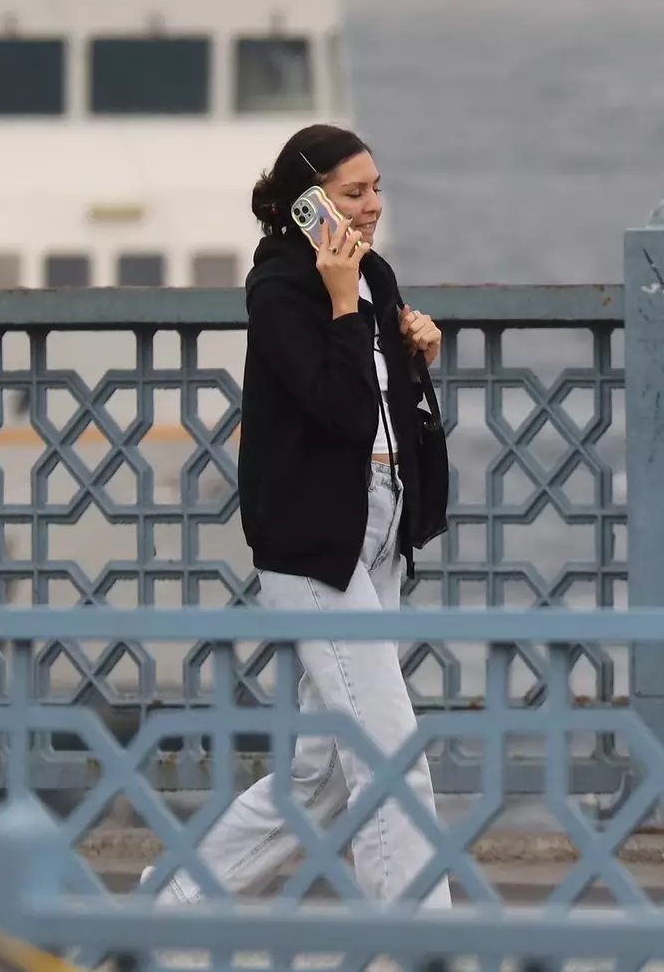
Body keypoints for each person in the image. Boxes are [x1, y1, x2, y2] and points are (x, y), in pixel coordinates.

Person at [152, 123, 453, 910]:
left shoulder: (375, 277)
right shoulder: (282, 288)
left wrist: (412, 345)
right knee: (390, 752)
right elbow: (338, 413)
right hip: (311, 546)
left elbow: (383, 410)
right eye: (353, 193)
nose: (372, 208)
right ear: (305, 203)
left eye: (377, 189)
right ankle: (423, 950)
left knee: (318, 779)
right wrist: (345, 305)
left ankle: (165, 906)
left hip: (377, 529)